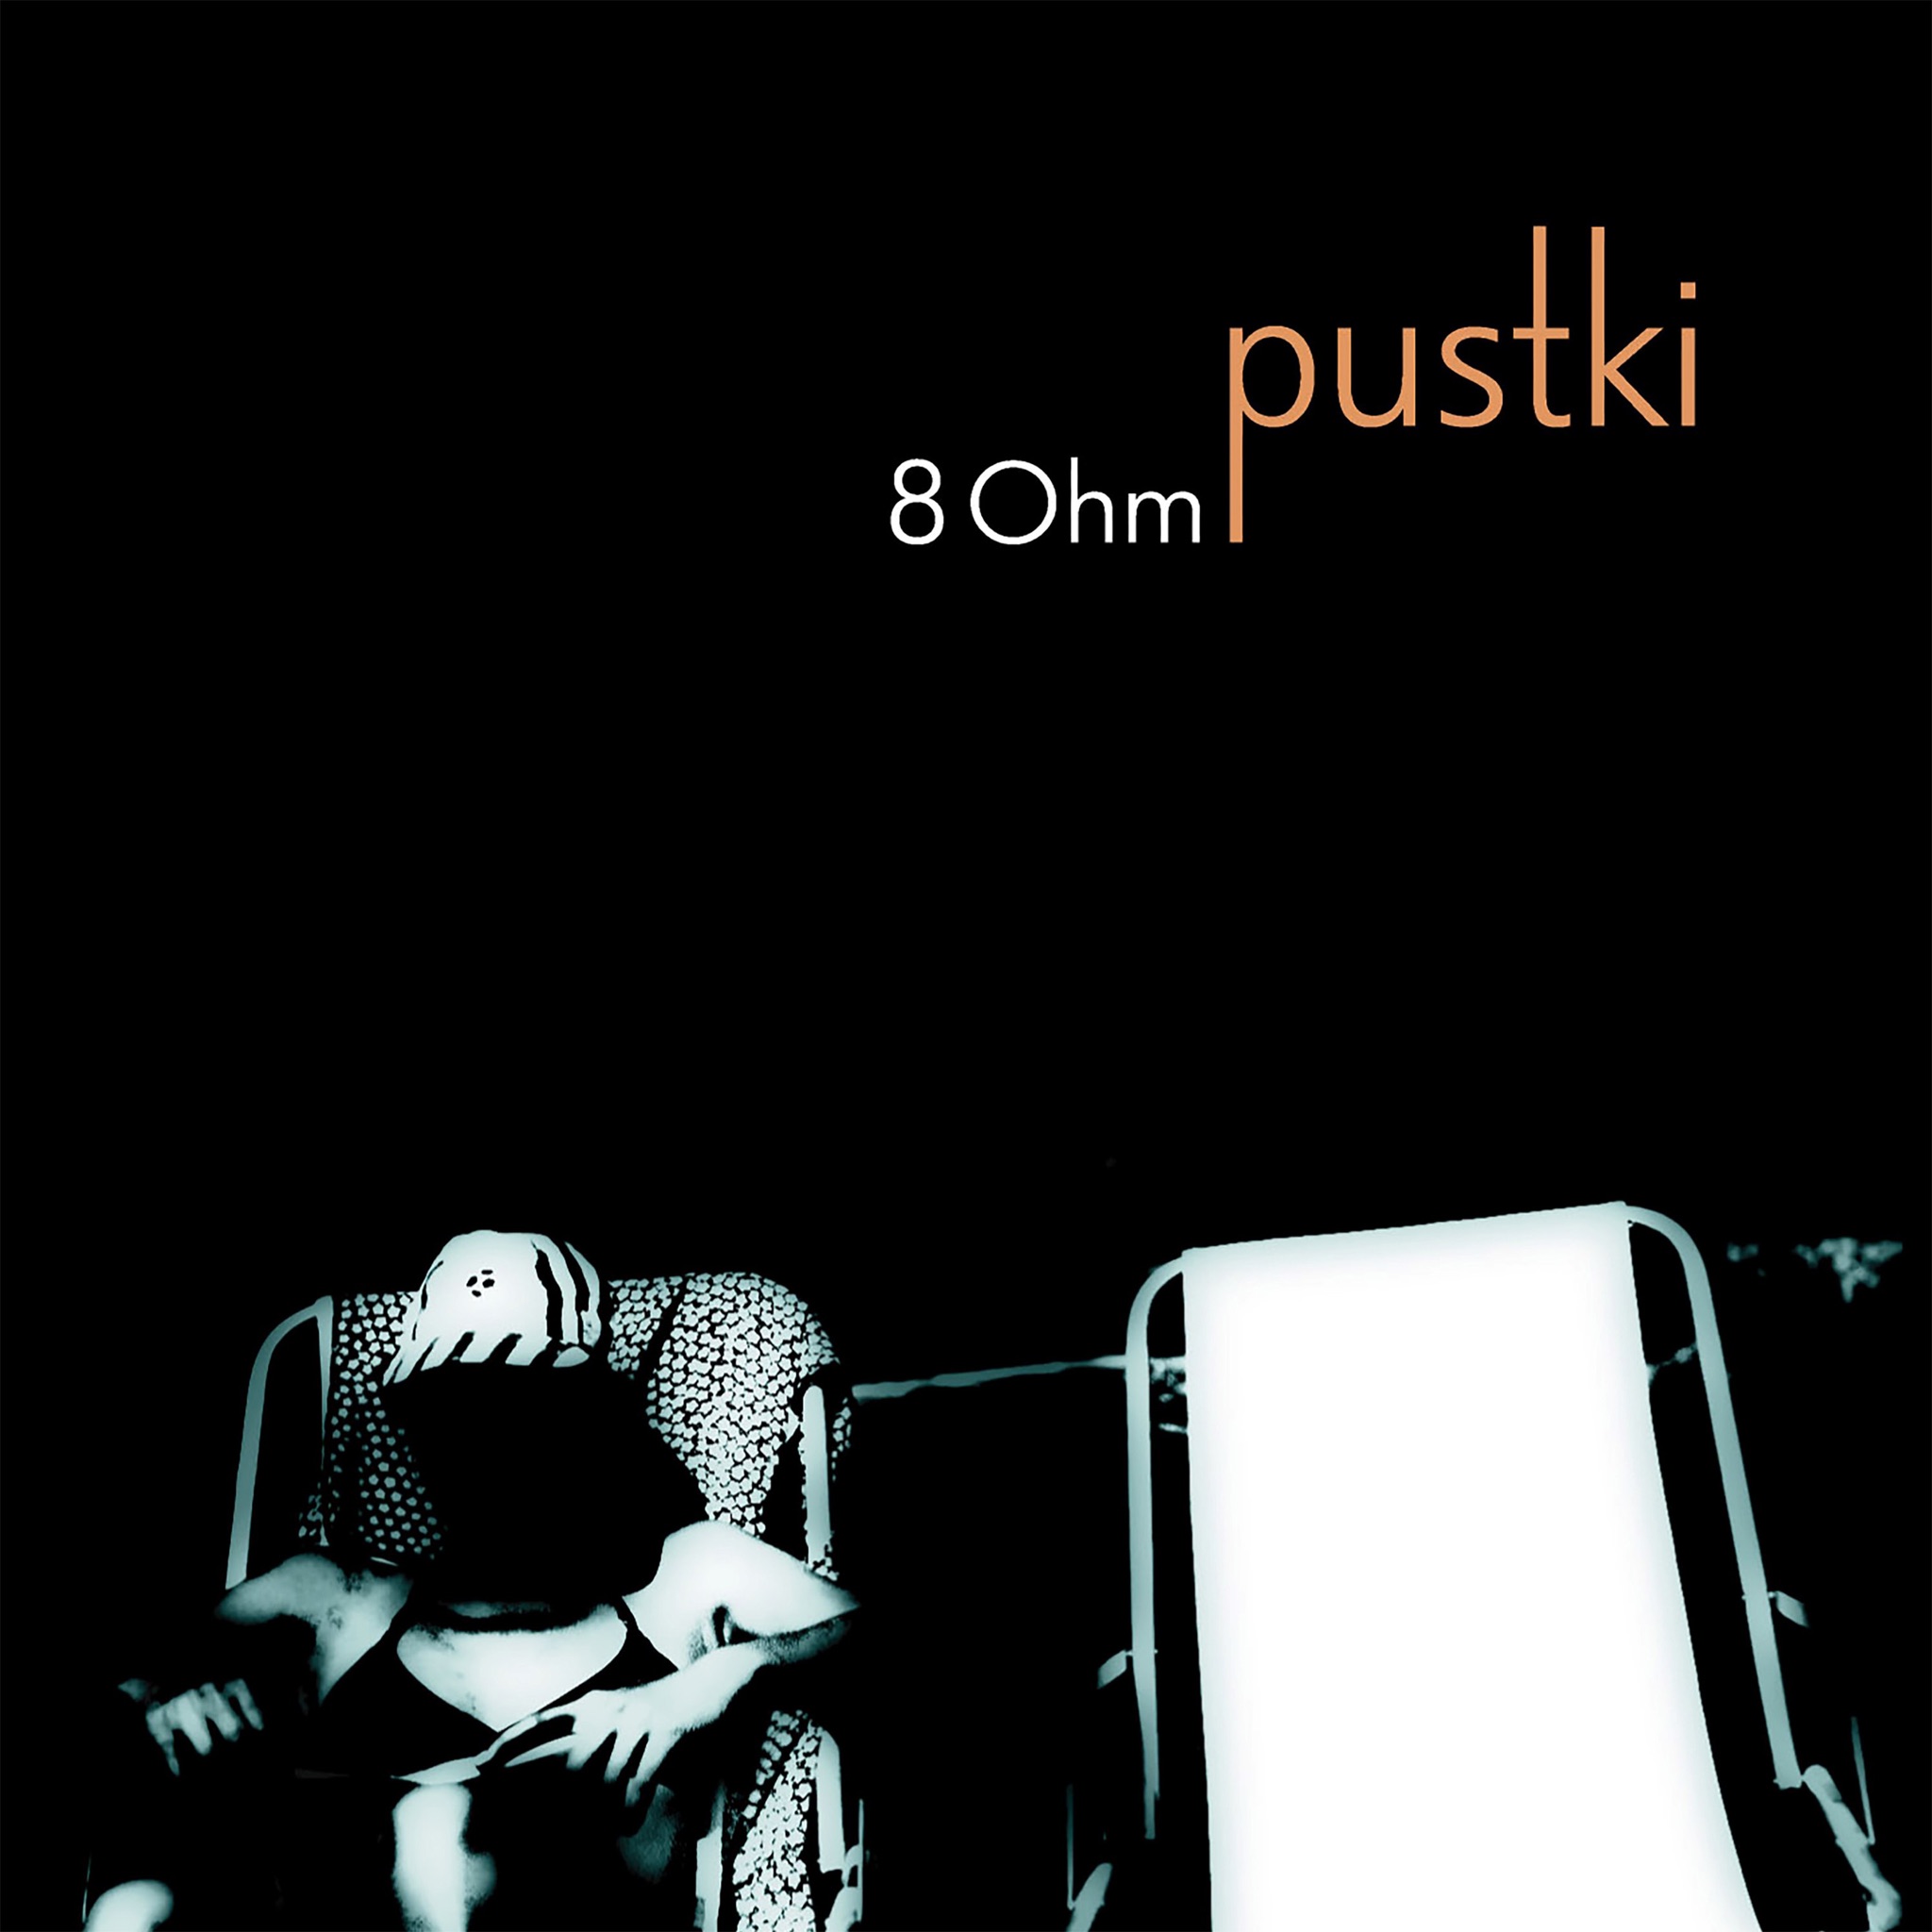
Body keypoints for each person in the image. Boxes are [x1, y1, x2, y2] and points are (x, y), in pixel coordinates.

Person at [84, 1231, 858, 1932]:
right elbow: (116, 1689)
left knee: (436, 1831)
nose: (485, 1443)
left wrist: (723, 1678)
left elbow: (879, 1631)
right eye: (451, 1411)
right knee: (132, 1911)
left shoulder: (681, 1581)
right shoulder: (335, 1601)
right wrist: (161, 1704)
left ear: (585, 1417)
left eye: (524, 1406)